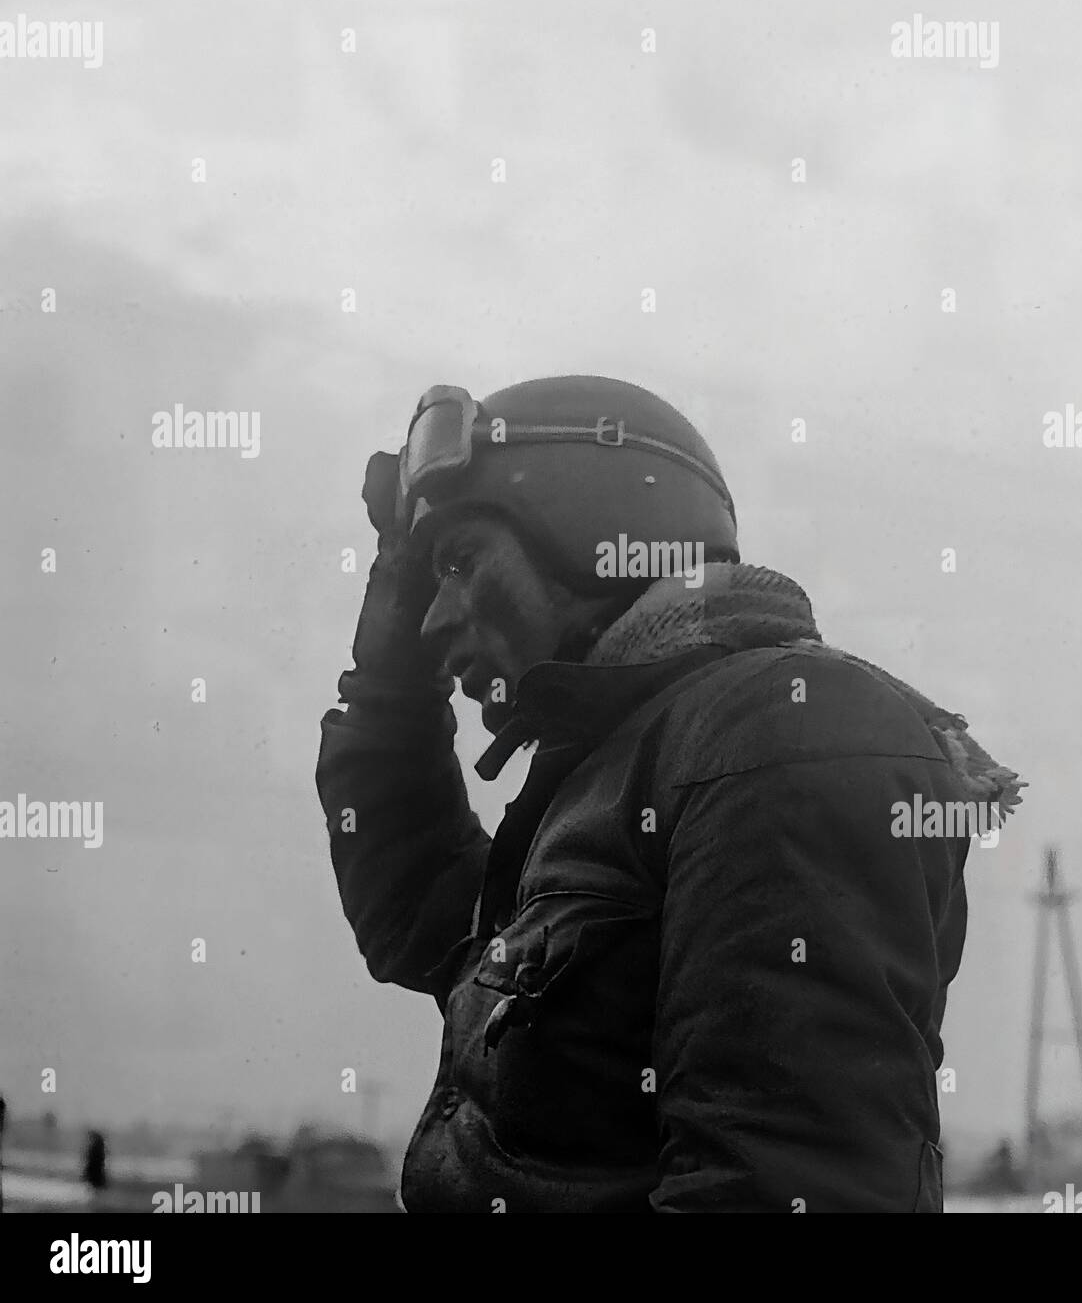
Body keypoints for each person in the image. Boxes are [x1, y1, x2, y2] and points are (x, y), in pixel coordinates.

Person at [316, 375, 1025, 1212]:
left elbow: (782, 1186)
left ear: (589, 528)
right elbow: (415, 890)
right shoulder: (607, 780)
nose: (434, 623)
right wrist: (394, 610)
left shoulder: (777, 731)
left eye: (462, 562)